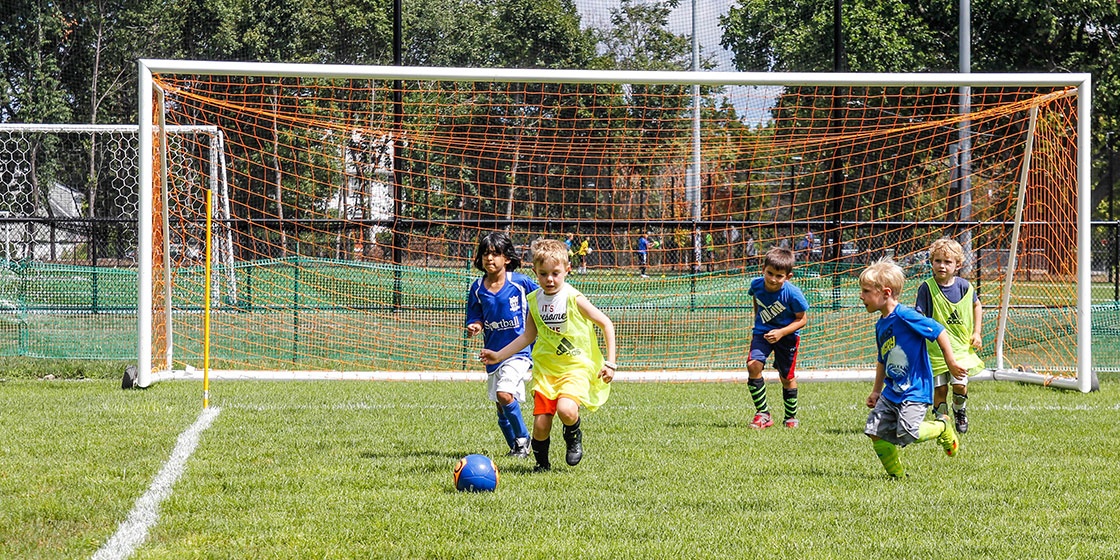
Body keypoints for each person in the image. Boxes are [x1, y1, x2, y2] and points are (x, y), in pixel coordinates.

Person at [480, 238, 617, 472]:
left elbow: (606, 323)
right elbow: (527, 337)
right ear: (535, 272)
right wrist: (498, 356)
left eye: (555, 273)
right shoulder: (534, 301)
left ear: (567, 270)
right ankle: (542, 465)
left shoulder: (574, 298)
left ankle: (573, 434)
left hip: (575, 367)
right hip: (546, 370)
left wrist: (610, 363)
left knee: (566, 410)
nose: (550, 279)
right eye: (543, 274)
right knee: (541, 424)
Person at [859, 258, 966, 478]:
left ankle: (942, 427)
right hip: (891, 390)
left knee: (909, 432)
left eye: (866, 291)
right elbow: (882, 359)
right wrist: (876, 390)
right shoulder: (881, 324)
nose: (862, 296)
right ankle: (897, 477)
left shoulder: (906, 316)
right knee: (874, 431)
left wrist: (951, 363)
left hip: (915, 390)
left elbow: (939, 331)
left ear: (885, 292)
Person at [465, 232, 539, 459]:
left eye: (495, 254)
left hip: (519, 351)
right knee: (500, 404)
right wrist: (475, 325)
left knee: (504, 394)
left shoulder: (519, 283)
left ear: (506, 258)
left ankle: (525, 440)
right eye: (486, 253)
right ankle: (516, 447)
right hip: (493, 354)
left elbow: (543, 297)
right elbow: (474, 315)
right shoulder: (477, 288)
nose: (490, 258)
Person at [914, 238, 985, 434]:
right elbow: (919, 316)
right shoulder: (926, 288)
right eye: (937, 261)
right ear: (931, 262)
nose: (942, 266)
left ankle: (959, 410)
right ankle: (942, 422)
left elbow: (977, 305)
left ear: (958, 265)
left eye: (947, 262)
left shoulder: (964, 287)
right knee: (940, 389)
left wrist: (976, 332)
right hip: (935, 351)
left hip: (961, 349)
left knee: (960, 386)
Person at [746, 247, 809, 429]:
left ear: (788, 277)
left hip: (787, 337)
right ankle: (763, 414)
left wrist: (781, 332)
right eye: (770, 273)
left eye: (779, 276)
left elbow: (802, 319)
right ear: (763, 269)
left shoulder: (793, 294)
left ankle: (790, 417)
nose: (773, 279)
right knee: (753, 365)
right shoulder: (756, 285)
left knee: (786, 377)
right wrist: (759, 322)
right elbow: (756, 299)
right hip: (762, 333)